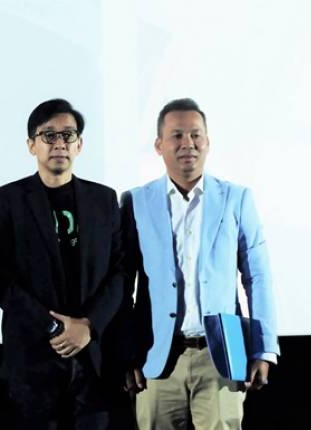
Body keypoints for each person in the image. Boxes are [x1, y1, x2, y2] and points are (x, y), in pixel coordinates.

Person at [121, 98, 280, 429]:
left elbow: (258, 276)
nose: (188, 143)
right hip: (157, 358)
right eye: (177, 135)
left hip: (221, 357)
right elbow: (122, 284)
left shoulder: (236, 198)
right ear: (159, 145)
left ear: (207, 142)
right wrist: (125, 352)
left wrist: (263, 349)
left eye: (195, 135)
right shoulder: (136, 201)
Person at [0, 98, 133, 429]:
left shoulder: (104, 199)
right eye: (48, 135)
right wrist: (53, 327)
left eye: (68, 135)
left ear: (79, 144)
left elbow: (120, 272)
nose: (59, 143)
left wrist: (88, 325)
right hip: (32, 359)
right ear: (31, 145)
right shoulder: (8, 200)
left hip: (93, 358)